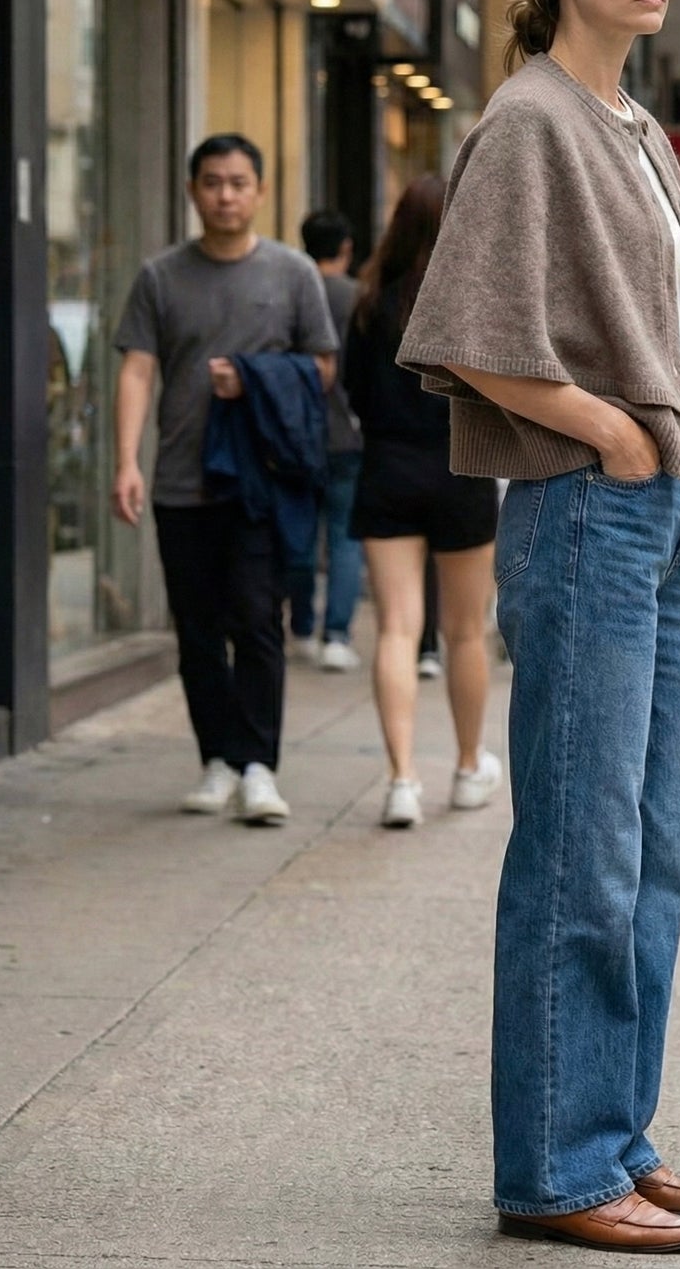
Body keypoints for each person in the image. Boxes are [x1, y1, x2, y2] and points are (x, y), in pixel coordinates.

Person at [396, 0, 680, 1254]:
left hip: (658, 508)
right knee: (581, 846)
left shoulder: (636, 128)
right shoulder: (531, 122)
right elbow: (464, 331)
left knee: (650, 845)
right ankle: (552, 1165)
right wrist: (608, 426)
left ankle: (615, 1132)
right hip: (587, 504)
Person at [111, 133, 337, 824]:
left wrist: (255, 379)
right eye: (212, 182)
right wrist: (125, 460)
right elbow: (138, 368)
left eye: (239, 182)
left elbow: (323, 367)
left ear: (260, 191)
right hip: (181, 480)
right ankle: (216, 758)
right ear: (191, 190)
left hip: (257, 483)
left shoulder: (293, 273)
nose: (226, 194)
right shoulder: (159, 276)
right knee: (198, 630)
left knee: (258, 621)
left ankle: (259, 765)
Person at [343, 175, 503, 830]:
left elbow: (352, 391)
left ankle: (401, 779)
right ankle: (467, 768)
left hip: (386, 468)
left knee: (396, 630)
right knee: (464, 631)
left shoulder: (368, 299)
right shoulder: (471, 297)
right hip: (458, 468)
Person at [287, 209, 366, 672]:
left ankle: (299, 625)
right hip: (348, 434)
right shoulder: (359, 298)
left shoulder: (292, 289)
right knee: (343, 537)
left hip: (296, 432)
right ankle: (336, 633)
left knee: (299, 534)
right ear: (346, 248)